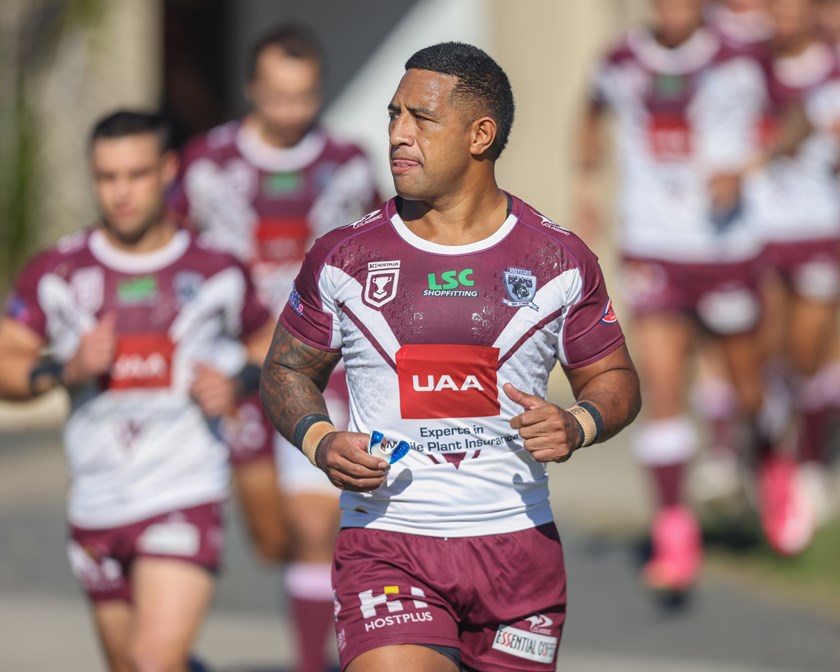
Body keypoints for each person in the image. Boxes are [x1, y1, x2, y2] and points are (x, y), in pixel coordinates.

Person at [260, 41, 641, 672]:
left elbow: (614, 377)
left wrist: (579, 422)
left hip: (519, 553)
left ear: (480, 135)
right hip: (389, 544)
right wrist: (321, 440)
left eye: (421, 118)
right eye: (393, 115)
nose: (397, 134)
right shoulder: (343, 257)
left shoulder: (559, 260)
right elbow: (286, 368)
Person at [0, 110, 273, 672]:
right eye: (107, 177)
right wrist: (64, 369)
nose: (121, 192)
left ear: (168, 170)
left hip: (184, 491)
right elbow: (7, 358)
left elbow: (271, 341)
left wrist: (236, 382)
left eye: (137, 175)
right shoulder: (57, 270)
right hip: (97, 502)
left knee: (151, 661)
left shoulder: (216, 268)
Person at [170, 24, 381, 672]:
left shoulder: (347, 162)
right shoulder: (207, 163)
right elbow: (172, 251)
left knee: (317, 526)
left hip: (324, 370)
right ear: (253, 88)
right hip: (239, 371)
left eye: (304, 96)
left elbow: (377, 256)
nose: (291, 111)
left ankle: (311, 660)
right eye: (278, 96)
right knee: (271, 539)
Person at [576, 0, 772, 593]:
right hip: (654, 246)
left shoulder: (742, 56)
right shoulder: (621, 59)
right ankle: (673, 530)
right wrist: (587, 186)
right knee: (661, 384)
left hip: (727, 247)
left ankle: (763, 457)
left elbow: (787, 120)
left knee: (747, 389)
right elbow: (591, 112)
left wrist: (746, 167)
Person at [742, 0, 840, 549]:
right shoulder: (746, 66)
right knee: (764, 350)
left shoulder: (832, 69)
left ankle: (803, 457)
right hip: (758, 231)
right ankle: (769, 457)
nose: (780, 16)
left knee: (805, 354)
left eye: (791, 8)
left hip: (819, 228)